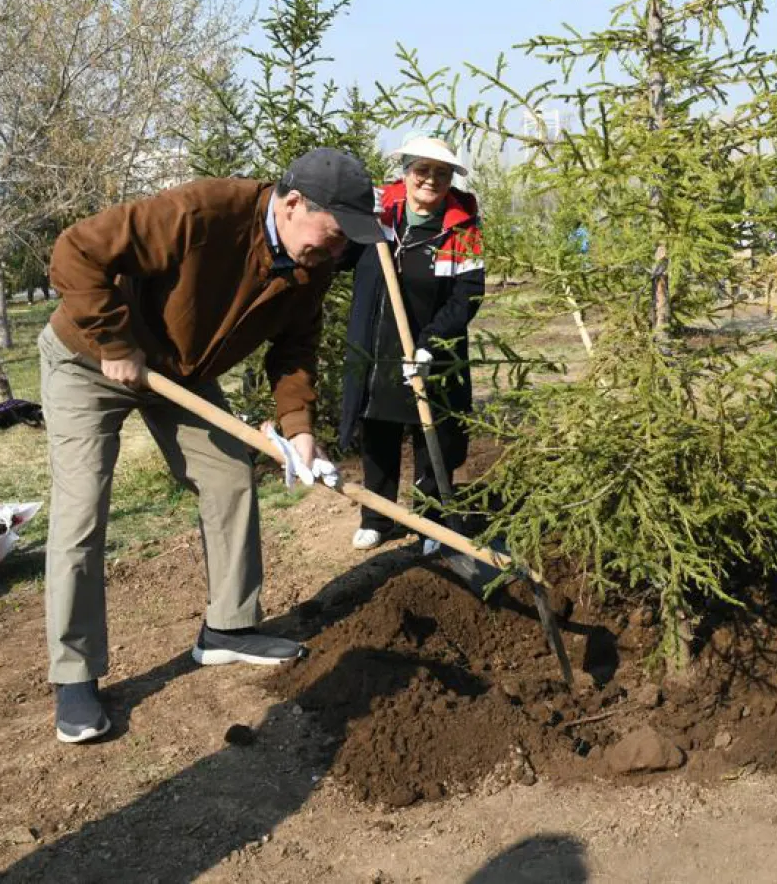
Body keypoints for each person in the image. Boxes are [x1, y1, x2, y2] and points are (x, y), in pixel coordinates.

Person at [42, 147, 379, 743]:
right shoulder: (203, 212)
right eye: (332, 236)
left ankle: (227, 628)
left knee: (228, 477)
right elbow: (76, 251)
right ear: (294, 203)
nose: (334, 252)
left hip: (181, 375)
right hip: (89, 360)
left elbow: (295, 348)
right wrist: (116, 342)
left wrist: (299, 428)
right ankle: (75, 673)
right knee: (83, 508)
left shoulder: (313, 263)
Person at [341, 135, 484, 551]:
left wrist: (431, 346)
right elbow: (340, 255)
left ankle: (431, 521)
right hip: (377, 343)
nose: (431, 180)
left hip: (433, 350)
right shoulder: (380, 213)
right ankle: (377, 517)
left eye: (441, 173)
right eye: (423, 170)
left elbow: (468, 296)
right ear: (406, 172)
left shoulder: (462, 227)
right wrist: (352, 218)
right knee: (379, 430)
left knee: (433, 434)